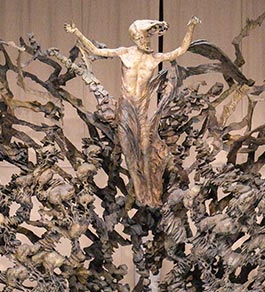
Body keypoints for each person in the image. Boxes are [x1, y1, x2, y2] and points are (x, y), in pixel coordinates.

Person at [64, 17, 201, 207]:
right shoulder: (124, 52)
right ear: (136, 37)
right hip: (126, 109)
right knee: (129, 150)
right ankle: (139, 192)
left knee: (146, 148)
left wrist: (191, 27)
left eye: (147, 37)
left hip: (142, 111)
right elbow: (95, 51)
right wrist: (77, 33)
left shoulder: (155, 57)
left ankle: (151, 194)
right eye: (142, 37)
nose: (146, 41)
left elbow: (180, 50)